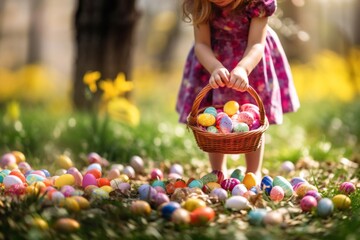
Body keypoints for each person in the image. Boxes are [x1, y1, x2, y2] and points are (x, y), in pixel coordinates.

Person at [176, 0, 300, 178]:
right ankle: (218, 171)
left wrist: (243, 68)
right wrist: (215, 68)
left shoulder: (258, 3)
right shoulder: (201, 4)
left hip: (251, 61)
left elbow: (256, 44)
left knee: (252, 116)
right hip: (213, 60)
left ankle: (253, 172)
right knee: (214, 117)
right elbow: (202, 44)